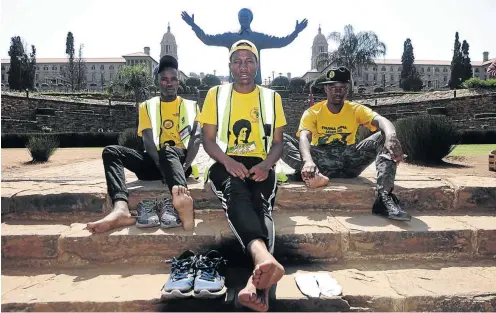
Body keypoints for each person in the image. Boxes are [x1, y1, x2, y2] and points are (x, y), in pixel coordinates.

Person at [198, 40, 286, 312]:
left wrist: (267, 165)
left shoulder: (272, 98)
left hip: (261, 162)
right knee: (236, 189)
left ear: (257, 66)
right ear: (230, 66)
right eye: (238, 61)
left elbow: (278, 143)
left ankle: (255, 282)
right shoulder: (216, 94)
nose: (243, 66)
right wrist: (228, 161)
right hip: (225, 161)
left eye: (249, 61)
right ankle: (262, 262)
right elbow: (208, 140)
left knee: (260, 199)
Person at [86, 55, 201, 233]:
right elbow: (148, 141)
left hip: (179, 164)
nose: (169, 83)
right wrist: (161, 168)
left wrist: (185, 166)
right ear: (158, 82)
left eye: (173, 79)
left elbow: (196, 139)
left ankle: (182, 201)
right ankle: (121, 209)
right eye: (164, 79)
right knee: (111, 151)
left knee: (168, 151)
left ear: (179, 82)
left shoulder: (191, 106)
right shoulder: (147, 106)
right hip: (154, 163)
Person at [282, 67, 411, 221]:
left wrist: (391, 137)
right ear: (326, 89)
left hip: (349, 161)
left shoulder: (355, 109)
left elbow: (382, 120)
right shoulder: (313, 112)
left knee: (385, 135)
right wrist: (308, 161)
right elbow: (304, 137)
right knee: (279, 139)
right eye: (333, 88)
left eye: (342, 88)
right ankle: (310, 173)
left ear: (347, 90)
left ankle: (384, 198)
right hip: (320, 161)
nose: (338, 92)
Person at [181, 8, 307, 85]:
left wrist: (295, 33)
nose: (243, 19)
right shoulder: (230, 37)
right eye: (241, 17)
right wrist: (194, 26)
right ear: (238, 19)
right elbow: (208, 39)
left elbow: (281, 42)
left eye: (246, 17)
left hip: (255, 84)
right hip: (234, 84)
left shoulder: (259, 38)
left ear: (251, 19)